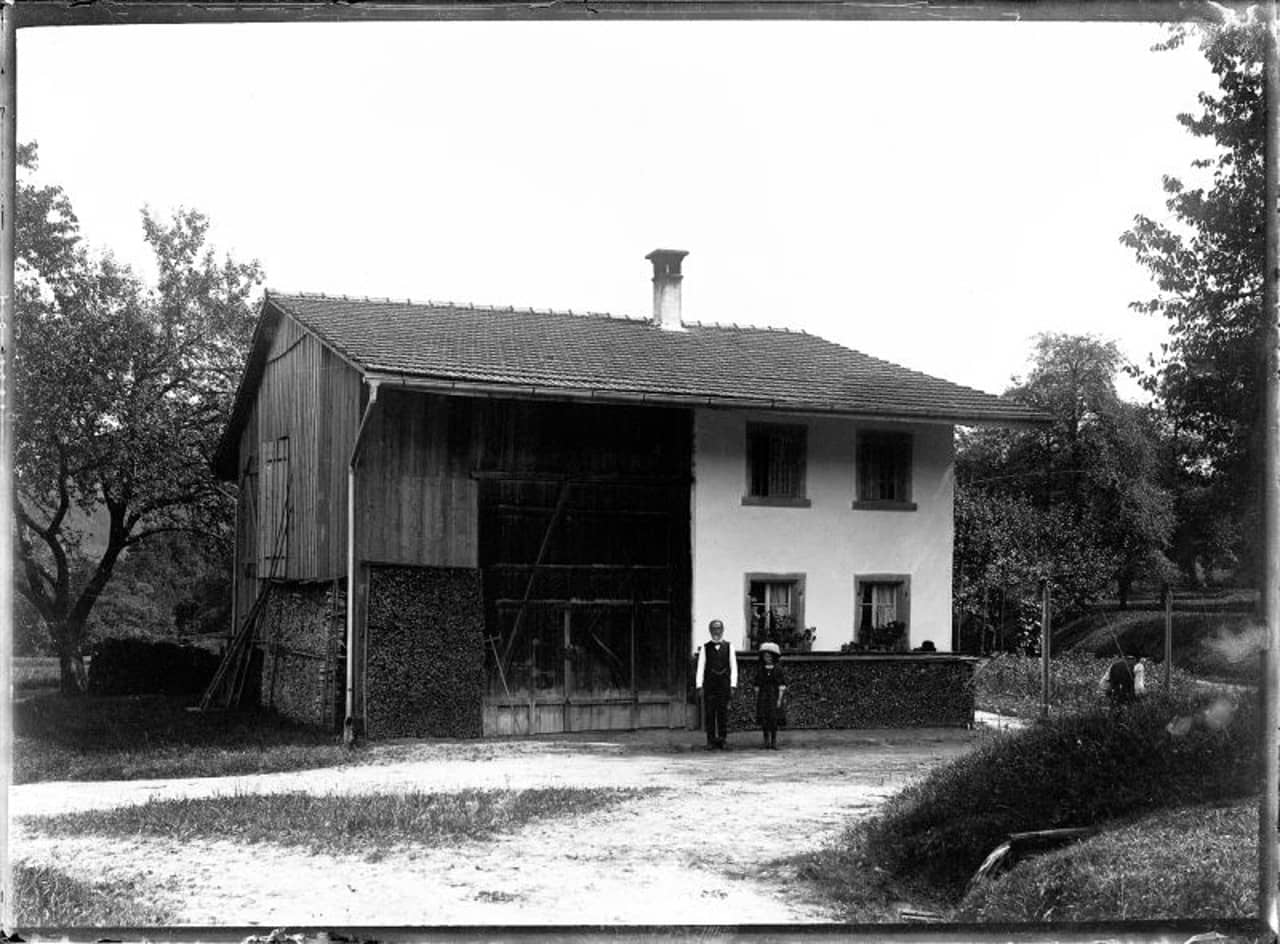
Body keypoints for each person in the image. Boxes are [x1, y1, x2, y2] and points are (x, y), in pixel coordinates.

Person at [695, 618, 737, 750]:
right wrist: (699, 685)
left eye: (718, 628)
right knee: (710, 713)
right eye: (713, 629)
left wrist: (733, 685)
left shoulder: (729, 646)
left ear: (722, 630)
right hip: (710, 685)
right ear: (710, 631)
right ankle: (711, 740)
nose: (716, 631)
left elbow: (734, 666)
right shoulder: (705, 648)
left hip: (724, 684)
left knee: (722, 713)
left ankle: (723, 739)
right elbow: (701, 667)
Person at [754, 641, 787, 750]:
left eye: (769, 656)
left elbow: (782, 685)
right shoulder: (760, 669)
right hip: (763, 696)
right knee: (764, 719)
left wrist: (779, 699)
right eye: (765, 656)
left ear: (773, 657)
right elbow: (757, 685)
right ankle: (765, 741)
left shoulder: (778, 669)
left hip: (774, 695)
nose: (767, 658)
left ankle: (773, 742)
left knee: (773, 719)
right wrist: (758, 698)